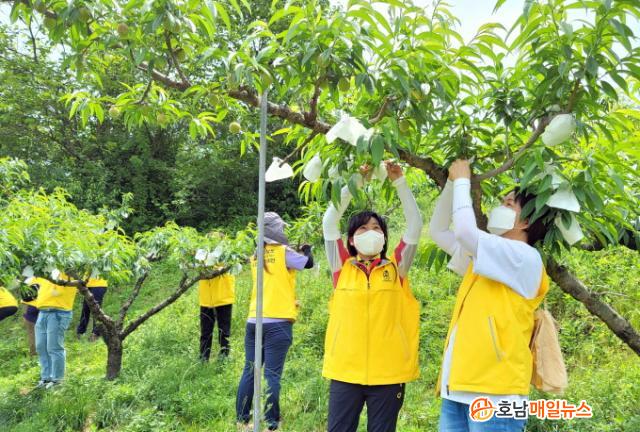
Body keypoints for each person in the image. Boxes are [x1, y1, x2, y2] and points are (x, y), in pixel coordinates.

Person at [429, 159, 550, 432]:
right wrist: (451, 184)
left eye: (509, 204)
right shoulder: (485, 256)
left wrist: (463, 179)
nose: (500, 207)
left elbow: (465, 232)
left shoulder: (524, 257)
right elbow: (438, 231)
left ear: (526, 221)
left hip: (496, 395)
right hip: (459, 388)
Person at [322, 161, 423, 432]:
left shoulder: (397, 268)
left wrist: (399, 181)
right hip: (345, 371)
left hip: (389, 373)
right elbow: (329, 222)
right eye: (363, 229)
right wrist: (357, 179)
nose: (371, 232)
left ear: (385, 238)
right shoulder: (341, 268)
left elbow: (415, 225)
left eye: (377, 228)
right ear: (351, 240)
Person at [236, 212, 314, 431]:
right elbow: (307, 263)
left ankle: (242, 420)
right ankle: (271, 423)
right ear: (275, 229)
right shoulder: (283, 252)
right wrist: (307, 249)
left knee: (250, 371)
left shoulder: (255, 255)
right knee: (272, 374)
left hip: (254, 320)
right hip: (278, 322)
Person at [34, 274, 77, 389]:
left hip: (59, 313)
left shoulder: (70, 270)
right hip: (43, 312)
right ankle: (46, 378)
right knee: (41, 346)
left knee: (54, 347)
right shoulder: (46, 270)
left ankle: (57, 380)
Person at [198, 269, 235, 361]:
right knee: (205, 331)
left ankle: (224, 356)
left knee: (224, 331)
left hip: (224, 295)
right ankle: (203, 358)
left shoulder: (228, 259)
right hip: (207, 297)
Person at [76, 276, 108, 342]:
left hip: (99, 284)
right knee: (85, 308)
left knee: (96, 309)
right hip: (87, 284)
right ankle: (81, 331)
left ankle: (96, 333)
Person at [22, 278, 42, 356]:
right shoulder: (47, 279)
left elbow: (24, 300)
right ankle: (45, 351)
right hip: (44, 307)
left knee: (31, 333)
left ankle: (33, 353)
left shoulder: (28, 281)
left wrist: (24, 315)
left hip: (31, 308)